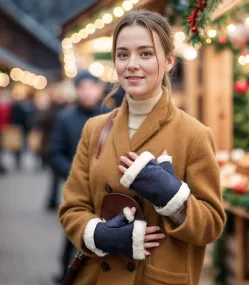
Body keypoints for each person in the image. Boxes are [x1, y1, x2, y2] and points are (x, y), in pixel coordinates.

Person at [58, 10, 226, 285]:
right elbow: (71, 207)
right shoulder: (95, 129)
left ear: (169, 60)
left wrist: (171, 196)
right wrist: (100, 234)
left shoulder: (194, 134)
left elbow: (211, 225)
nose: (132, 64)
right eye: (123, 54)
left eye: (145, 54)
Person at [49, 71, 110, 283]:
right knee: (73, 231)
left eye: (90, 87)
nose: (86, 92)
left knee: (104, 230)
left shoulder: (112, 116)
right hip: (75, 187)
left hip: (105, 188)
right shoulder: (65, 118)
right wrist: (76, 176)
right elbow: (54, 153)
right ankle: (66, 274)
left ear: (99, 88)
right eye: (81, 88)